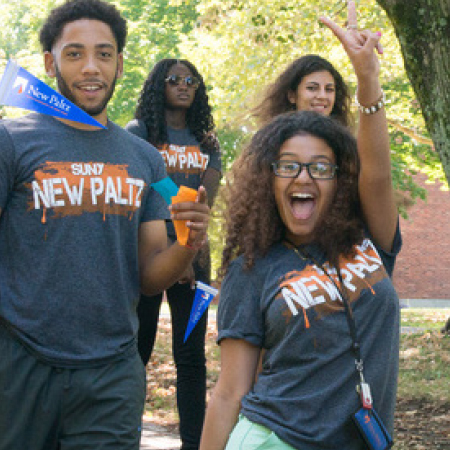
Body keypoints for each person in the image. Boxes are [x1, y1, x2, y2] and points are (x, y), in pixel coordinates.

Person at [0, 1, 210, 450]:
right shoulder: (11, 142)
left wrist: (189, 243)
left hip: (113, 373)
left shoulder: (143, 158)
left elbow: (151, 275)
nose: (91, 67)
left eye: (104, 53)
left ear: (119, 63)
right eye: (74, 53)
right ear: (49, 62)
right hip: (19, 364)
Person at [200, 3, 400, 450]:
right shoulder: (251, 269)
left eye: (320, 168)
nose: (303, 177)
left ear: (341, 181)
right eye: (288, 166)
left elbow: (379, 174)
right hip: (272, 440)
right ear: (268, 181)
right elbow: (230, 391)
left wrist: (367, 78)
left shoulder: (370, 240)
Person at [126, 58, 222, 450]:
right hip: (147, 251)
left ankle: (192, 443)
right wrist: (170, 252)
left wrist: (186, 253)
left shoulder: (207, 141)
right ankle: (123, 436)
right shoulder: (140, 133)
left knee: (191, 355)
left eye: (191, 81)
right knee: (138, 350)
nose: (184, 86)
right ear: (158, 85)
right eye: (174, 80)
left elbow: (205, 201)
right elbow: (140, 192)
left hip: (197, 257)